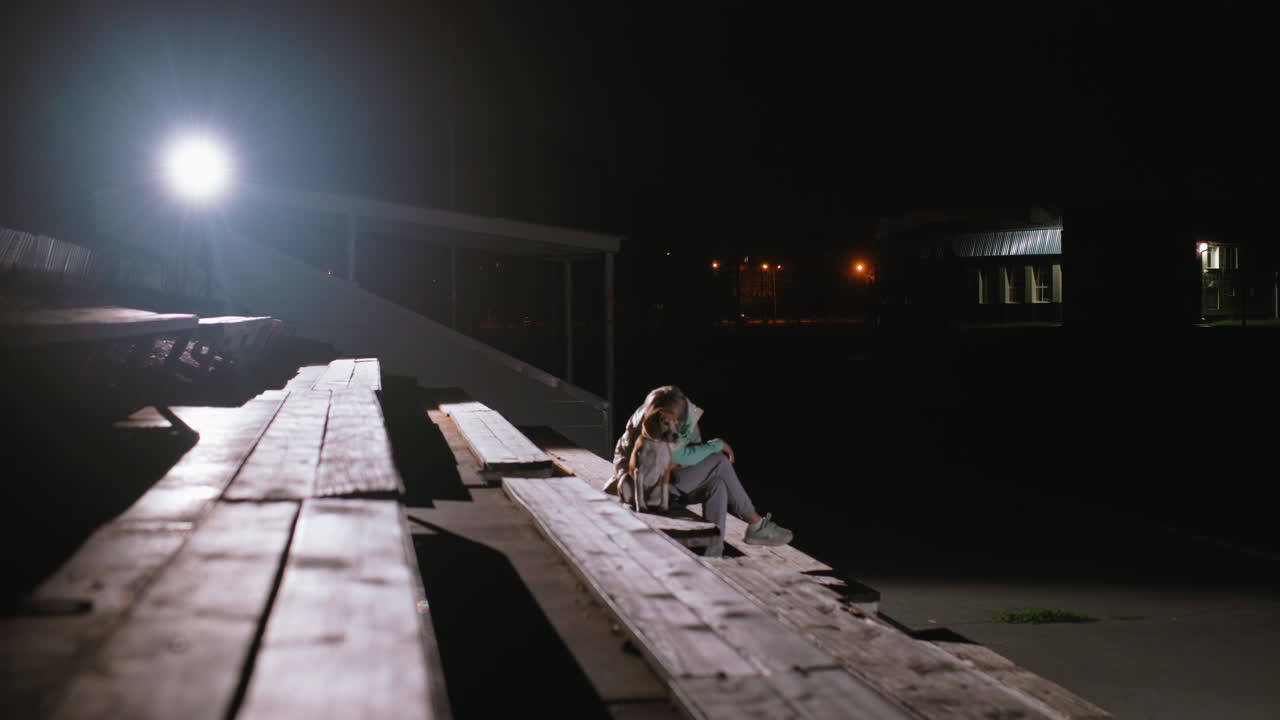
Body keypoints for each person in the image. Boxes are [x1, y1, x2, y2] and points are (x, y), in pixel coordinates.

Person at [606, 385, 793, 555]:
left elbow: (687, 456)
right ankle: (755, 523)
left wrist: (694, 455)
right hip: (651, 490)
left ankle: (713, 554)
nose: (676, 427)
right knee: (720, 462)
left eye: (680, 421)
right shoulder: (650, 423)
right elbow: (677, 455)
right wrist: (714, 445)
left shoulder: (686, 410)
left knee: (717, 485)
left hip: (676, 481)